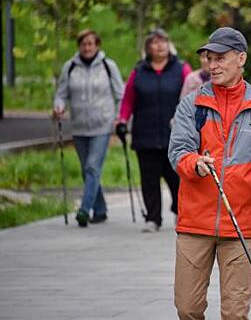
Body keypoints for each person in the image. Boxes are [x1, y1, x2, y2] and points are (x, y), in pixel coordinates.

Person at [168, 27, 251, 319]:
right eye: (209, 58)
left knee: (235, 314)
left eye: (220, 58)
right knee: (187, 309)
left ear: (241, 58)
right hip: (195, 223)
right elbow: (178, 152)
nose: (212, 65)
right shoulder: (192, 104)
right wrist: (195, 164)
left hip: (240, 226)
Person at [117, 29, 192, 232]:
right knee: (148, 179)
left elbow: (192, 95)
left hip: (174, 135)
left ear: (169, 45)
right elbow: (128, 99)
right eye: (155, 42)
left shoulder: (181, 69)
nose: (159, 46)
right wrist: (122, 120)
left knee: (176, 177)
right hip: (145, 133)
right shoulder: (139, 71)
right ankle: (153, 218)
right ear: (148, 47)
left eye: (163, 42)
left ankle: (179, 211)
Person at [53, 29, 124, 227]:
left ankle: (84, 209)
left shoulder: (108, 66)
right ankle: (100, 210)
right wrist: (58, 106)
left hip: (102, 126)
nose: (87, 47)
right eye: (83, 44)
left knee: (93, 167)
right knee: (87, 171)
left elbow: (121, 95)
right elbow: (61, 94)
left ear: (97, 45)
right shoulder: (70, 67)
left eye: (91, 44)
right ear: (79, 46)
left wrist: (119, 118)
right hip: (79, 127)